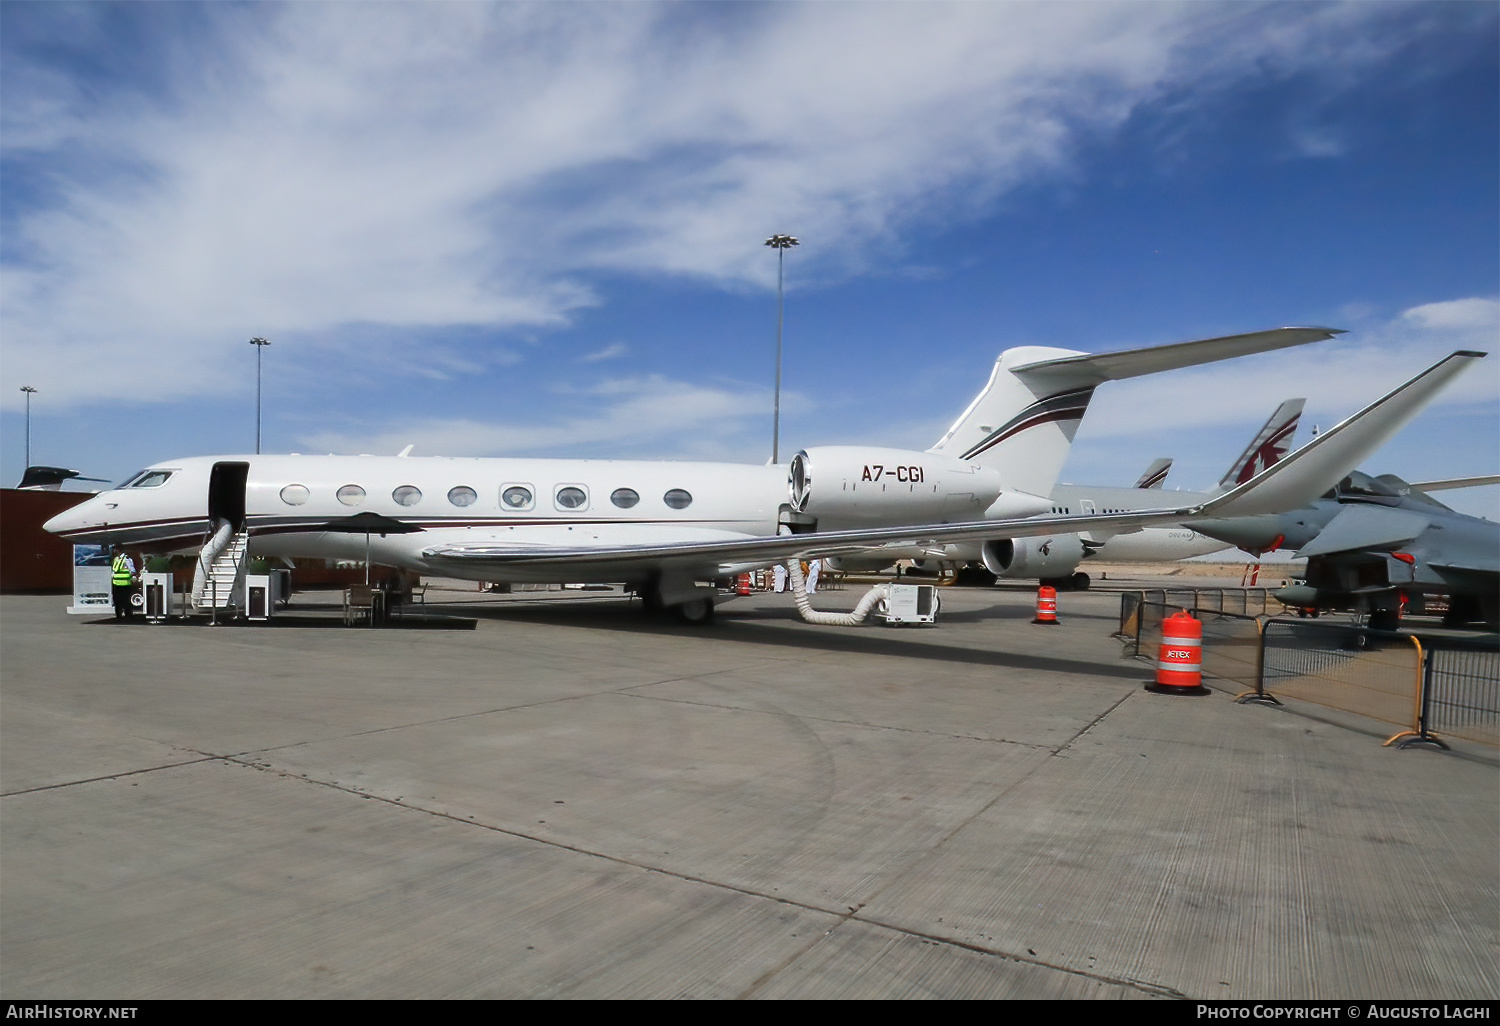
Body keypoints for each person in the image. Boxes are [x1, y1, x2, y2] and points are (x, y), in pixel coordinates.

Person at [110, 546, 137, 620]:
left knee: (125, 600)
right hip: (116, 583)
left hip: (125, 583)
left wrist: (133, 577)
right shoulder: (116, 559)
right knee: (117, 600)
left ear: (119, 550)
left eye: (115, 549)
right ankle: (118, 615)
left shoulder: (127, 559)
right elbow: (114, 570)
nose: (114, 551)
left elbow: (132, 570)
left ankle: (128, 614)